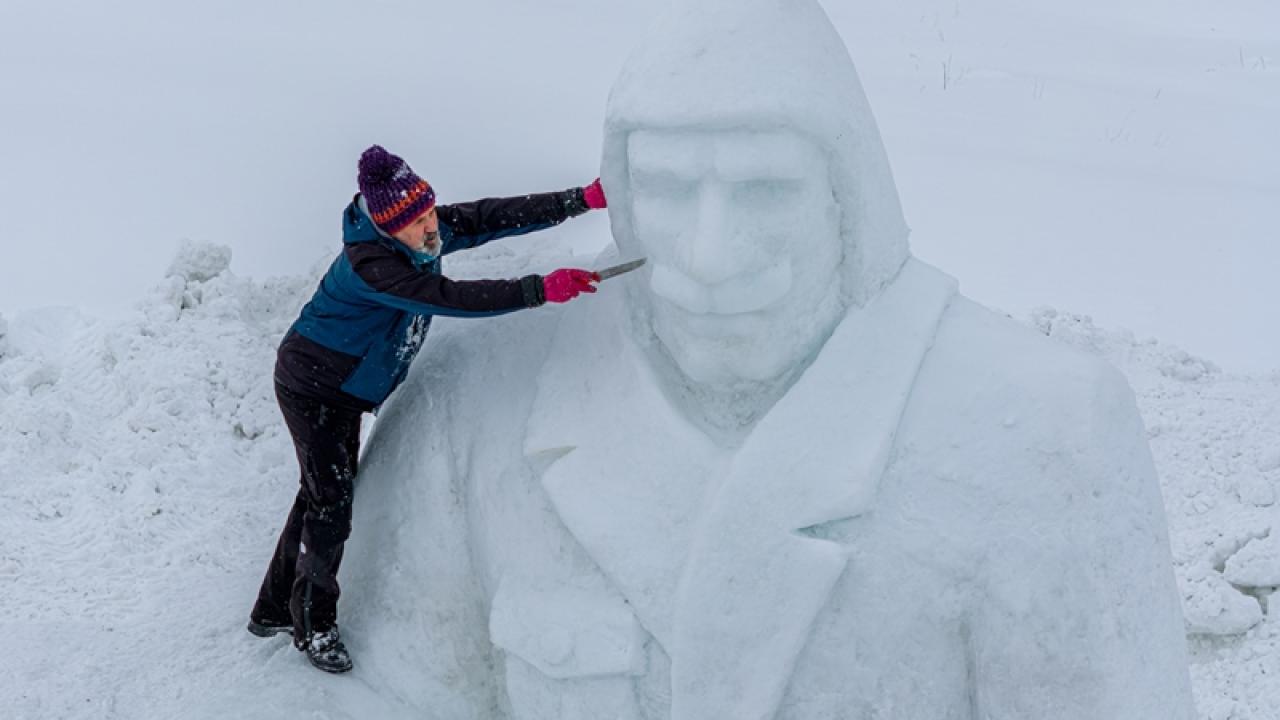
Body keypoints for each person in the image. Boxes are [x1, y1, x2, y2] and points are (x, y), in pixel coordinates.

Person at [246, 144, 607, 673]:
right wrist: (538, 289)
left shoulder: (419, 229)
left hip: (341, 385)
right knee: (330, 504)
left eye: (430, 212)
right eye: (416, 223)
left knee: (321, 492)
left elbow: (490, 216)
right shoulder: (373, 268)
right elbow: (448, 297)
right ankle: (312, 627)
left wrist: (579, 200)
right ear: (388, 228)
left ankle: (273, 608)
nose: (431, 227)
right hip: (314, 388)